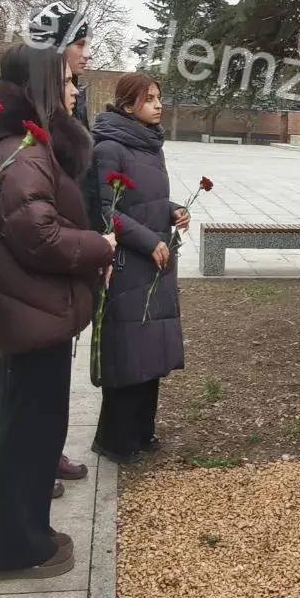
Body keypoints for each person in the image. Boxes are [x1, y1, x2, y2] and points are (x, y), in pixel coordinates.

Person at [0, 44, 115, 579]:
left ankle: (14, 529)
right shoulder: (26, 152)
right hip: (33, 313)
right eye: (66, 81)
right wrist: (100, 246)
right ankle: (19, 547)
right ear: (41, 88)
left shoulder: (23, 146)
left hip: (31, 311)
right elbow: (39, 233)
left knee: (26, 430)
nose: (75, 90)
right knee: (30, 435)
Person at [90, 73, 187, 464]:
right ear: (127, 105)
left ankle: (143, 432)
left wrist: (173, 210)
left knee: (150, 352)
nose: (158, 105)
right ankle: (115, 440)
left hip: (156, 262)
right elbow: (105, 210)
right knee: (128, 352)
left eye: (159, 97)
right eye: (149, 99)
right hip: (129, 261)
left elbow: (147, 201)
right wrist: (149, 241)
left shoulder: (151, 146)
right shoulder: (109, 148)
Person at [27, 1, 93, 487]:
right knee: (29, 377)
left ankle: (48, 451)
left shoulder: (69, 99)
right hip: (40, 261)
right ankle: (32, 462)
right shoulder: (34, 108)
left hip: (69, 249)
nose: (87, 54)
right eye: (80, 44)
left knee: (53, 372)